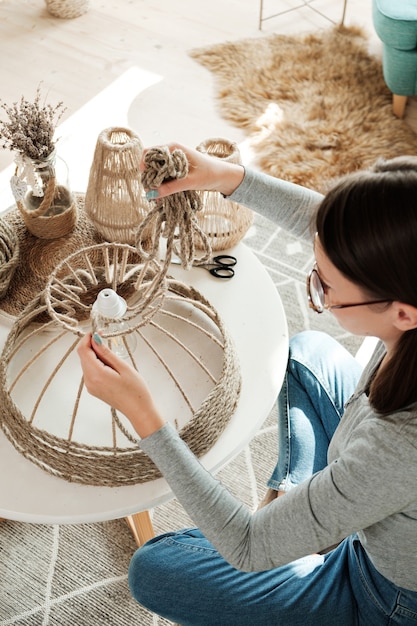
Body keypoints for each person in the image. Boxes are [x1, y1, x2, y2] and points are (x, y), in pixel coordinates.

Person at [77, 145, 417, 625]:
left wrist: (146, 417)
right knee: (307, 354)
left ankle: (304, 530)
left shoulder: (400, 443)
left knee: (156, 568)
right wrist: (227, 177)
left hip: (382, 593)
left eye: (325, 289)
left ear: (403, 313)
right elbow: (332, 228)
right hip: (376, 487)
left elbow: (247, 546)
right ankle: (302, 513)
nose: (317, 289)